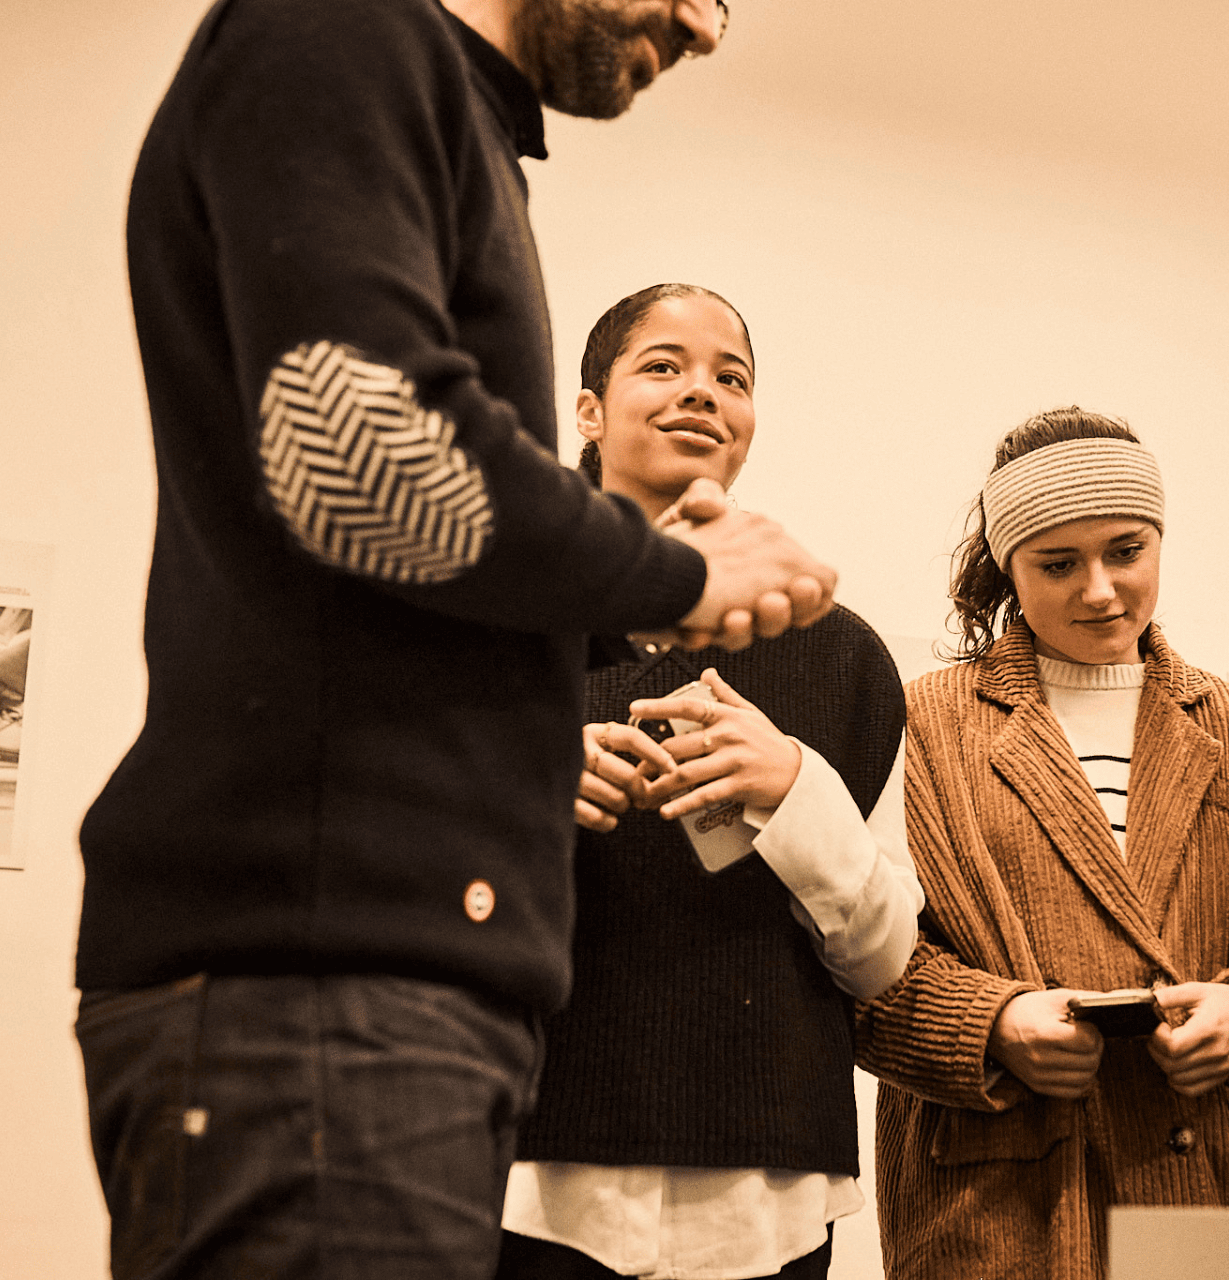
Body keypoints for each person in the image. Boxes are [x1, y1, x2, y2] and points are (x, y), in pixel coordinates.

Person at [73, 4, 837, 1277]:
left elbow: (380, 547)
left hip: (383, 998)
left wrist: (627, 601)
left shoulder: (446, 104)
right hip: (327, 989)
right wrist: (678, 569)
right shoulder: (342, 28)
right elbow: (363, 454)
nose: (704, 26)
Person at [492, 283, 923, 1280]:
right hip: (522, 1166)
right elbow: (392, 862)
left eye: (732, 378)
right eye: (664, 366)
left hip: (768, 1193)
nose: (703, 393)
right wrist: (526, 787)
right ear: (589, 409)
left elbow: (885, 958)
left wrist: (794, 786)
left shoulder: (847, 659)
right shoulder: (500, 621)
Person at [855, 410, 1229, 1280]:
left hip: (1225, 1185)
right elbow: (855, 963)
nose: (1101, 590)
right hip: (1005, 1203)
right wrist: (990, 1025)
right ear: (1008, 566)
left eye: (1126, 551)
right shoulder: (922, 726)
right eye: (1058, 564)